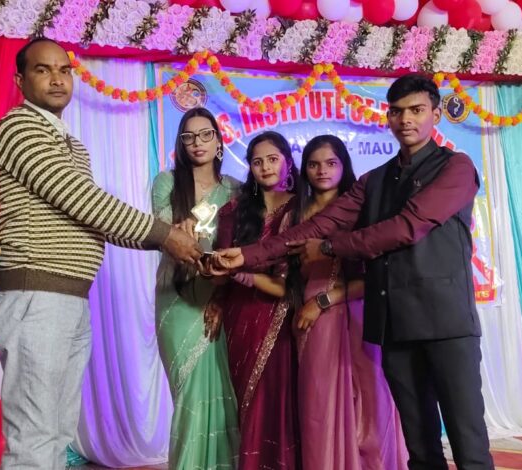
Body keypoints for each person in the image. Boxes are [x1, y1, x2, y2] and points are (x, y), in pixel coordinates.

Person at [213, 74, 494, 470]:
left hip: (446, 322)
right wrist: (244, 256)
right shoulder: (374, 180)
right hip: (395, 324)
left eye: (416, 110)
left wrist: (329, 248)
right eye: (397, 111)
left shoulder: (456, 168)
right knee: (420, 446)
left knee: (468, 443)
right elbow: (314, 227)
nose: (406, 120)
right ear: (388, 117)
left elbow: (406, 227)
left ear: (435, 115)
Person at [0, 37, 200, 470]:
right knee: (33, 433)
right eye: (43, 69)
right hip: (36, 294)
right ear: (19, 80)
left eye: (64, 70)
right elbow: (83, 201)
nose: (57, 79)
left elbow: (92, 218)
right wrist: (165, 236)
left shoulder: (71, 144)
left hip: (69, 297)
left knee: (57, 430)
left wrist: (165, 238)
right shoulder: (18, 126)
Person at [288, 135, 407, 470]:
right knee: (320, 404)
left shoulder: (363, 211)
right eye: (313, 164)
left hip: (357, 310)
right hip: (313, 321)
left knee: (371, 402)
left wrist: (324, 300)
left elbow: (375, 277)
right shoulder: (297, 214)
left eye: (331, 163)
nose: (322, 171)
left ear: (344, 165)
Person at [152, 107, 241, 468]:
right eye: (189, 136)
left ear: (219, 142)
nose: (197, 143)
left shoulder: (235, 189)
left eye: (206, 134)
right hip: (176, 296)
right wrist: (178, 230)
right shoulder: (167, 183)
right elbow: (160, 232)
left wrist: (221, 295)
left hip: (220, 294)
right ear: (181, 144)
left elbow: (240, 247)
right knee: (188, 390)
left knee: (225, 387)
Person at [207, 131, 301, 469]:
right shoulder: (235, 210)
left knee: (282, 394)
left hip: (286, 313)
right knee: (247, 396)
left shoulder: (302, 208)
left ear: (287, 161)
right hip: (242, 313)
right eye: (257, 161)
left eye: (272, 159)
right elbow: (222, 264)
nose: (265, 167)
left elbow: (297, 275)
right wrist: (217, 294)